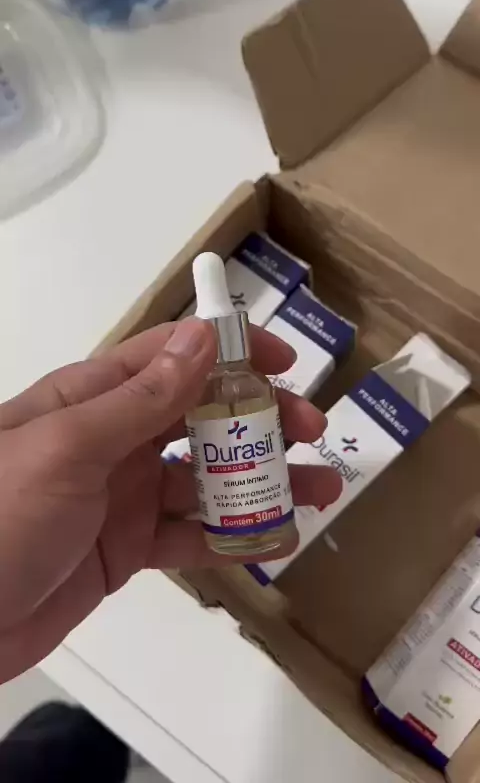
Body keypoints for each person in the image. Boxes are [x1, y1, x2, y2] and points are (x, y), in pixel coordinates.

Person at [0, 316, 341, 779]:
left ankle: (95, 738)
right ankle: (96, 738)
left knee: (58, 746)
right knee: (58, 747)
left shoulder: (250, 384)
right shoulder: (219, 391)